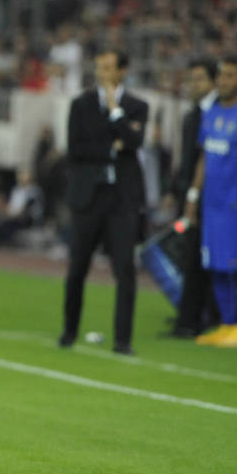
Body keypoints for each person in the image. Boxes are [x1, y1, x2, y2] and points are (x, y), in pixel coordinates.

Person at [60, 48, 149, 355]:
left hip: (122, 198)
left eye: (109, 68)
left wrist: (115, 112)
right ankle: (69, 331)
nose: (102, 74)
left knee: (125, 269)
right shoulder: (81, 104)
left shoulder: (137, 106)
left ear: (122, 71)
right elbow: (76, 149)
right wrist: (113, 145)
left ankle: (123, 340)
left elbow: (134, 142)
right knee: (77, 268)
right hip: (88, 197)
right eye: (99, 67)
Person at [185, 54, 237, 348]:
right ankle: (227, 324)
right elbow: (203, 159)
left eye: (231, 75)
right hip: (212, 204)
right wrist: (193, 196)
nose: (224, 81)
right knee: (217, 264)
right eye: (221, 75)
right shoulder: (211, 114)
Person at [166, 58, 219, 337]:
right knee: (189, 256)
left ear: (213, 82)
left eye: (199, 79)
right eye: (191, 79)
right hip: (190, 197)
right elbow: (186, 160)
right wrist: (175, 191)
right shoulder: (192, 115)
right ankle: (191, 317)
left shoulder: (219, 114)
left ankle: (199, 319)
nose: (193, 84)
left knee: (205, 258)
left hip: (211, 199)